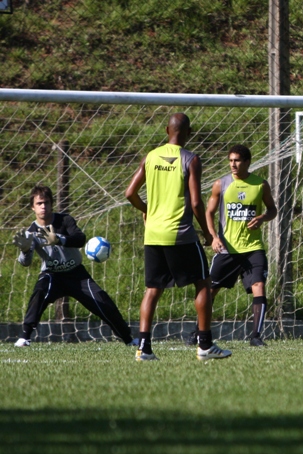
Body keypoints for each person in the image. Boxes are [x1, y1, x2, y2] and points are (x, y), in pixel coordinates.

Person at [125, 112, 231, 361]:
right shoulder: (190, 159)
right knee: (203, 282)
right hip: (180, 234)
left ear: (166, 130)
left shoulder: (150, 157)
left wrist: (148, 211)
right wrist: (207, 233)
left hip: (153, 235)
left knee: (153, 289)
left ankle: (144, 349)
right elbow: (196, 203)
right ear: (189, 133)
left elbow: (130, 193)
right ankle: (205, 345)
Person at [12, 185, 137, 347]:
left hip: (76, 274)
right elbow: (25, 263)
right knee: (39, 292)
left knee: (102, 301)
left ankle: (128, 339)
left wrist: (58, 239)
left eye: (47, 203)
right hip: (52, 275)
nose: (43, 207)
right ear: (32, 207)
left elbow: (80, 238)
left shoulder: (65, 220)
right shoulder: (30, 232)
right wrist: (25, 250)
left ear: (51, 204)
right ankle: (25, 337)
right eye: (39, 203)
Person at [204, 144, 277, 347]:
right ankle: (200, 332)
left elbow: (273, 210)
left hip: (253, 248)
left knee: (259, 286)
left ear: (247, 162)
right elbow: (208, 213)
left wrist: (262, 218)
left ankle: (256, 336)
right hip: (227, 248)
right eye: (230, 160)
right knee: (210, 290)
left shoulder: (260, 185)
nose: (233, 164)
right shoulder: (221, 184)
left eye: (237, 160)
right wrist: (213, 237)